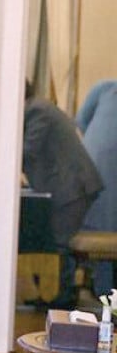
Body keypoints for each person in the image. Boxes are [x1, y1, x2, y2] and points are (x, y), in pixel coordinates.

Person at [23, 80, 103, 306]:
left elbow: (27, 150)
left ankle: (61, 300)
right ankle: (55, 295)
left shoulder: (36, 110)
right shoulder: (39, 107)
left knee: (60, 243)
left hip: (70, 187)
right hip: (70, 185)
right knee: (57, 241)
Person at [76, 80, 117, 296]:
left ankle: (104, 293)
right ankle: (107, 293)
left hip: (90, 171)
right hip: (97, 173)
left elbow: (82, 122)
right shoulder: (103, 88)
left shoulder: (103, 88)